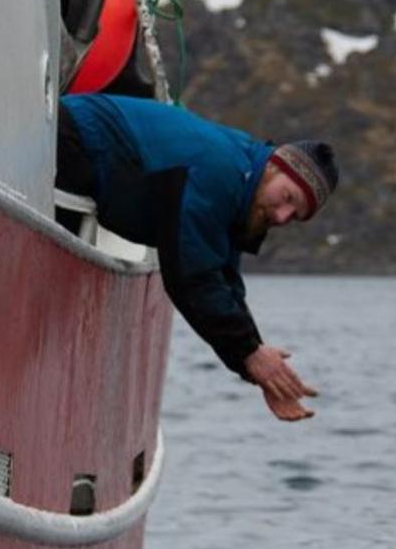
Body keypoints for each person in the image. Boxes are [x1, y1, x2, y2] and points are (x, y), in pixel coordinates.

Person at [55, 93, 340, 422]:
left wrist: (257, 361)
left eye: (295, 216)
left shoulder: (243, 182)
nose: (282, 215)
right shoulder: (219, 170)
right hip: (71, 137)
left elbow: (223, 280)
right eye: (287, 198)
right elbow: (192, 276)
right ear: (274, 166)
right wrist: (249, 354)